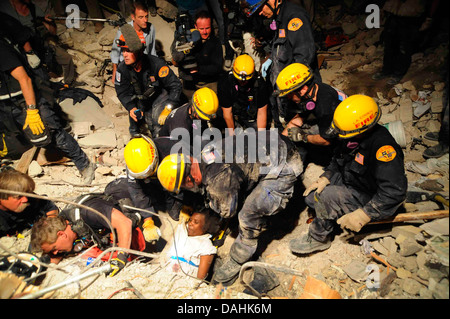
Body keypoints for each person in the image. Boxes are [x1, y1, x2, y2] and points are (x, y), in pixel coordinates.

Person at [156, 130, 303, 285]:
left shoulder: (217, 180)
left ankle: (239, 257)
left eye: (184, 186)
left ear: (190, 178)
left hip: (284, 164)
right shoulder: (205, 153)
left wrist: (213, 203)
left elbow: (228, 211)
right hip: (274, 142)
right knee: (241, 189)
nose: (186, 190)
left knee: (247, 215)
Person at [289, 95, 408, 255]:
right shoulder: (352, 133)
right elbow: (339, 159)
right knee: (311, 197)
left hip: (369, 195)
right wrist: (327, 176)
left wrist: (365, 213)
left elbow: (394, 192)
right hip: (353, 180)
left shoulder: (383, 149)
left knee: (322, 199)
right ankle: (334, 213)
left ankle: (319, 238)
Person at [0, 36, 96, 184]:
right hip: (4, 104)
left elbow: (24, 79)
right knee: (12, 138)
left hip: (23, 99)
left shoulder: (2, 49)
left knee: (51, 132)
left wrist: (32, 111)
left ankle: (84, 164)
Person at [241, 0, 320, 129]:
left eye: (261, 8)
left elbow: (304, 56)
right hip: (285, 91)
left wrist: (292, 88)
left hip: (298, 90)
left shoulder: (294, 17)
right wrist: (271, 58)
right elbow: (282, 47)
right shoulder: (279, 18)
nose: (260, 13)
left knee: (302, 130)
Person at [30, 193, 146, 276]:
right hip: (106, 233)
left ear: (61, 234)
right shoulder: (65, 226)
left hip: (130, 227)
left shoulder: (89, 212)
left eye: (54, 248)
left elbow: (124, 223)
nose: (55, 253)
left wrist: (121, 257)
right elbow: (53, 259)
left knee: (91, 254)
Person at [115, 23, 182, 137]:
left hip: (158, 96)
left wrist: (170, 106)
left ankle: (161, 141)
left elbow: (175, 85)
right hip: (140, 99)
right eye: (123, 51)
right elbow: (122, 92)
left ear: (139, 52)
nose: (124, 55)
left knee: (156, 122)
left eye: (128, 51)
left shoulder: (156, 64)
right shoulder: (122, 69)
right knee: (134, 127)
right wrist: (131, 107)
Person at [274, 62, 347, 164]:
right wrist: (280, 144)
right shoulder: (313, 91)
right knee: (299, 127)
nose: (288, 98)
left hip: (346, 134)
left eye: (289, 94)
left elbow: (326, 140)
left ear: (302, 90)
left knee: (305, 133)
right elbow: (296, 121)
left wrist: (303, 137)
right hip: (329, 118)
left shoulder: (324, 105)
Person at [0, 0, 79, 87]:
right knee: (39, 76)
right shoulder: (5, 8)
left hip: (37, 42)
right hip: (18, 48)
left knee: (65, 58)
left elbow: (52, 31)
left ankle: (69, 83)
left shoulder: (33, 8)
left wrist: (49, 22)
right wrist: (30, 53)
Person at [372, 0, 441, 85]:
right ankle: (386, 70)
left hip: (411, 17)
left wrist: (429, 17)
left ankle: (398, 73)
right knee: (389, 45)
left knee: (404, 48)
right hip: (393, 13)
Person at [171, 10, 223, 100]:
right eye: (201, 29)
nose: (205, 32)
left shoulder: (215, 42)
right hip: (189, 83)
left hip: (208, 83)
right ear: (195, 26)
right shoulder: (186, 38)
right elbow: (176, 58)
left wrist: (198, 69)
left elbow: (217, 67)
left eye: (207, 28)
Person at [218, 54, 270, 135]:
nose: (243, 82)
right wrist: (232, 136)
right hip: (233, 116)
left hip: (251, 117)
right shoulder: (225, 82)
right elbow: (227, 113)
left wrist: (261, 137)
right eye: (240, 80)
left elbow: (262, 112)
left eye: (246, 80)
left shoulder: (260, 84)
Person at [111, 0, 157, 85]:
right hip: (127, 66)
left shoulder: (151, 28)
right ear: (133, 17)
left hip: (143, 65)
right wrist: (115, 72)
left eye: (146, 16)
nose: (145, 20)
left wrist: (155, 69)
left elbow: (152, 50)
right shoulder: (124, 30)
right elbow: (115, 51)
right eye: (141, 17)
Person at [0, 169, 58, 237]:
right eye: (19, 197)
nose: (25, 199)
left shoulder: (28, 198)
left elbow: (48, 206)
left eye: (26, 194)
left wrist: (50, 223)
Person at [164, 209, 219, 279]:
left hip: (184, 279)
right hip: (166, 273)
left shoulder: (206, 245)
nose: (190, 223)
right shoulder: (182, 231)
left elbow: (200, 278)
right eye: (190, 220)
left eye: (196, 222)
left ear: (205, 227)